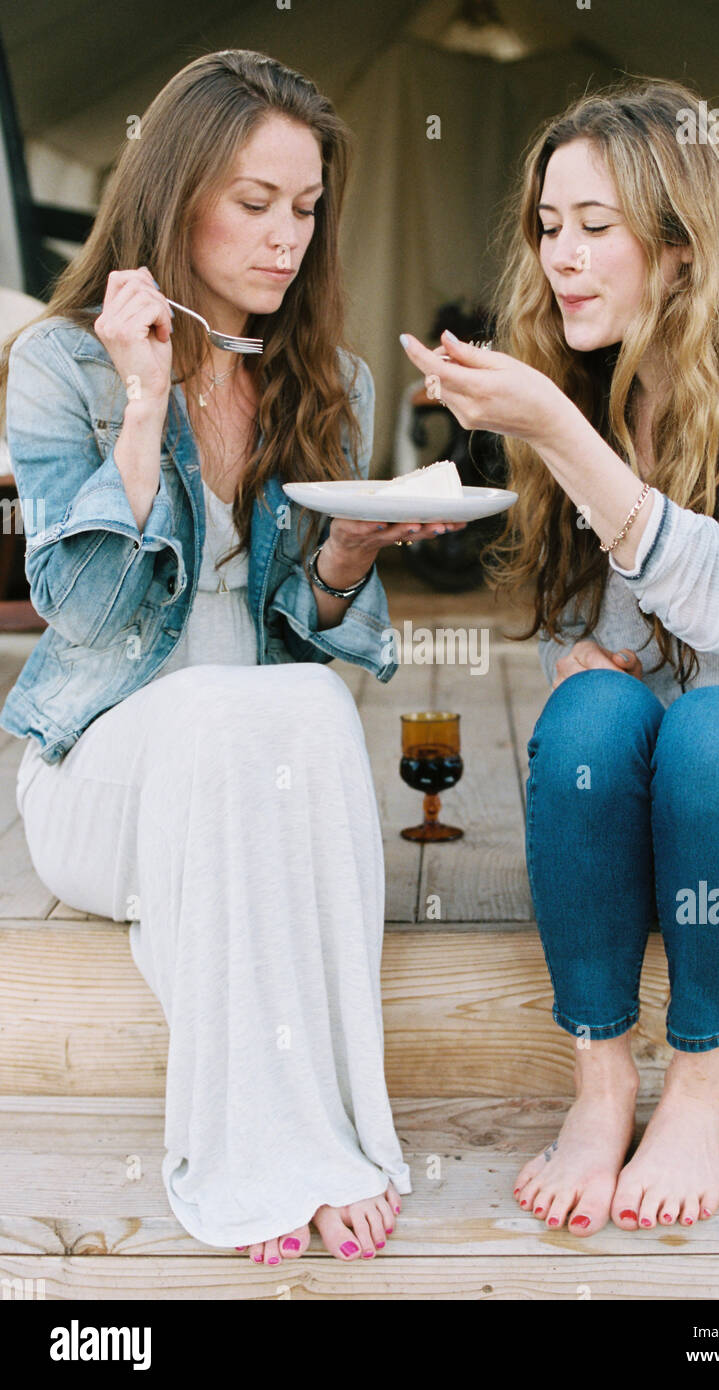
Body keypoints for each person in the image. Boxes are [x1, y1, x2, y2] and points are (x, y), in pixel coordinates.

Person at [0, 49, 467, 1267]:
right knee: (220, 711)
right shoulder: (61, 365)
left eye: (306, 209)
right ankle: (265, 1148)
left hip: (246, 789)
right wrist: (145, 402)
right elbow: (85, 611)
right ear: (174, 192)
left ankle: (323, 1130)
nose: (286, 238)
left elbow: (304, 633)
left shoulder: (332, 382)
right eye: (254, 203)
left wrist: (355, 551)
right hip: (101, 783)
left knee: (301, 695)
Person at [400, 76, 719, 1237]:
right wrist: (588, 674)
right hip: (697, 833)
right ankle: (602, 1079)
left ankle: (701, 1088)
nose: (562, 257)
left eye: (595, 229)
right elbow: (607, 650)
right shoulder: (614, 396)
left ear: (677, 245)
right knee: (589, 722)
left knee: (717, 725)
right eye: (548, 228)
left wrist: (555, 432)